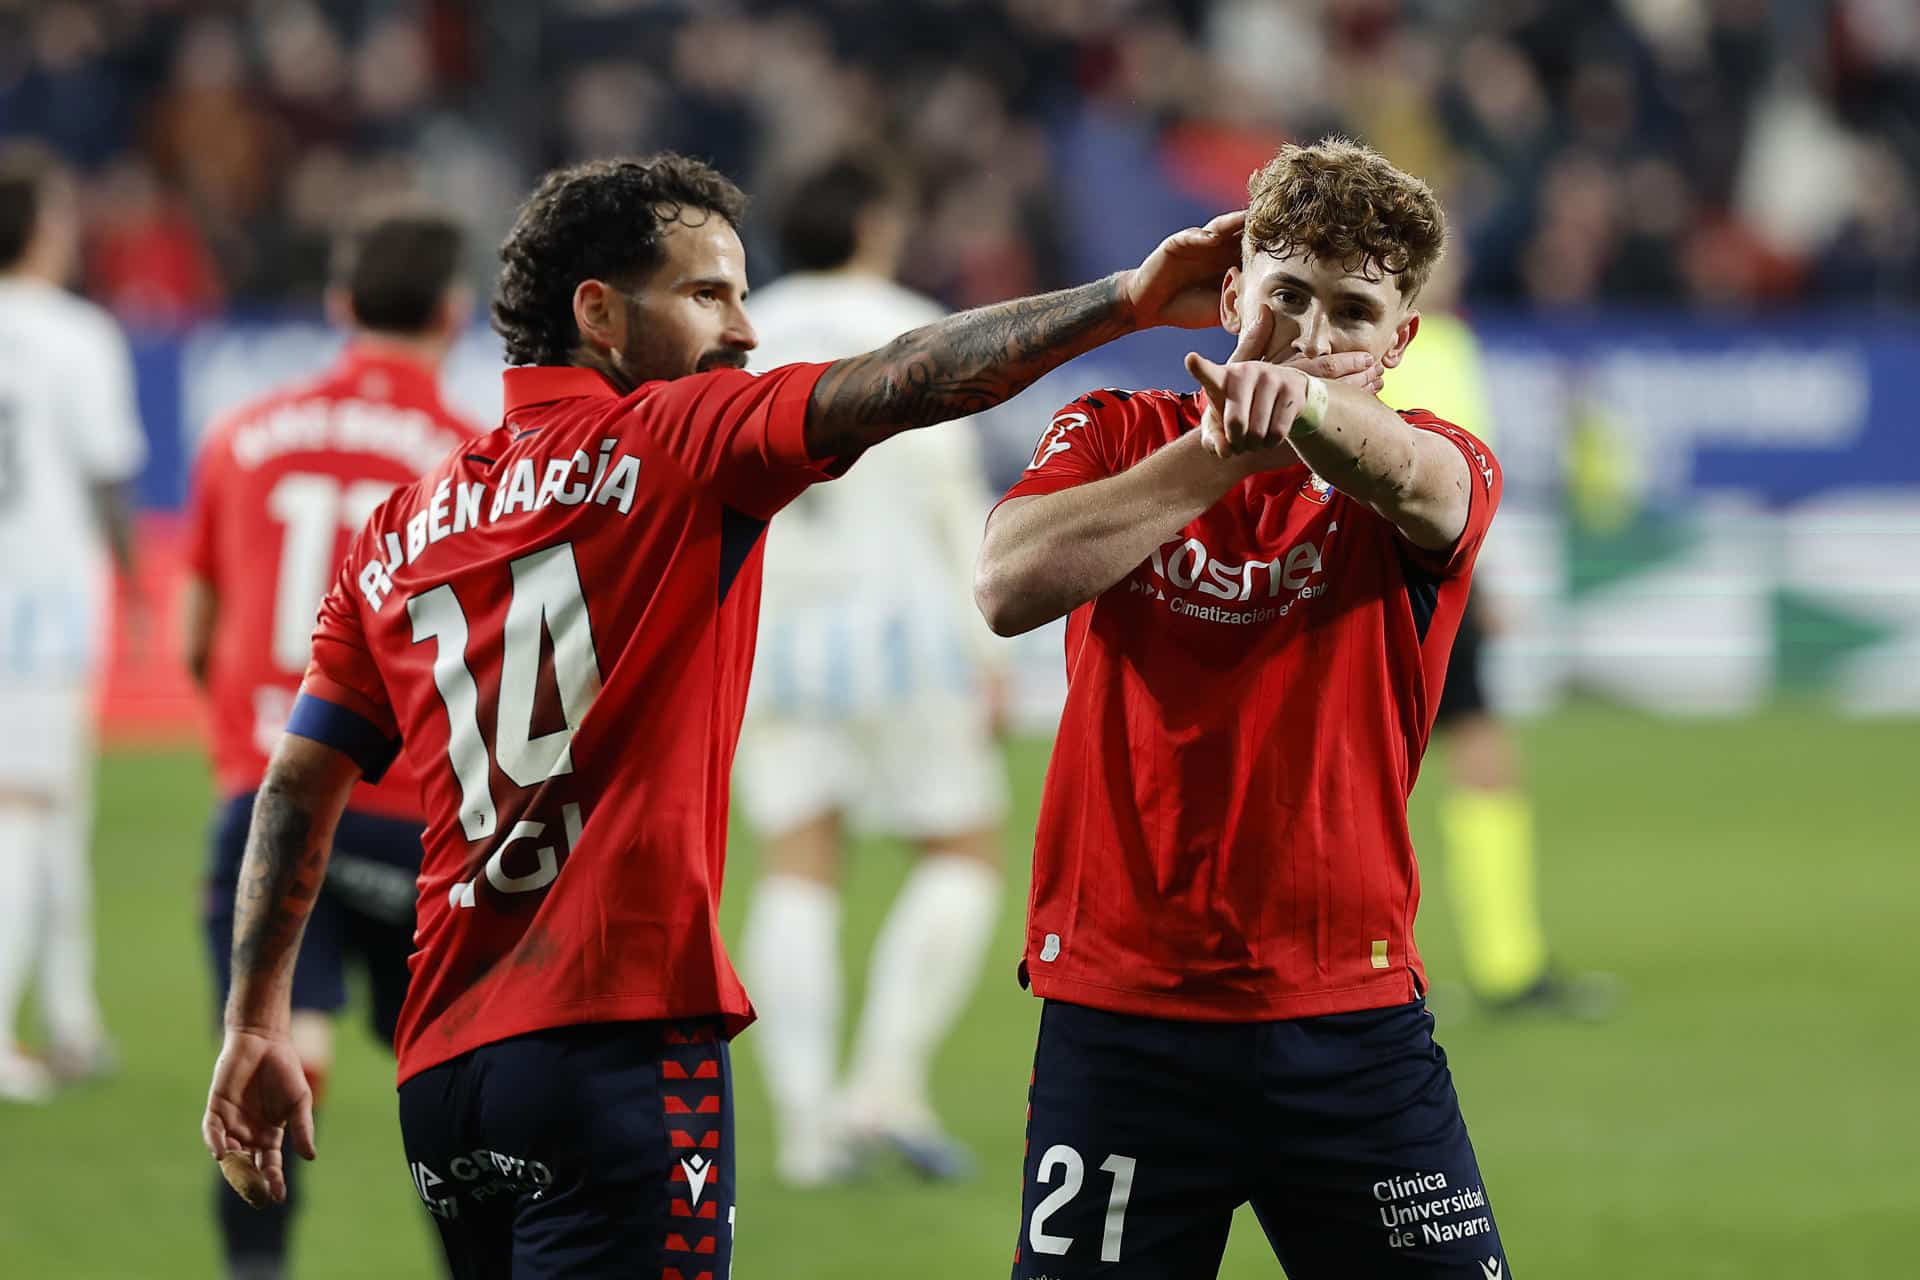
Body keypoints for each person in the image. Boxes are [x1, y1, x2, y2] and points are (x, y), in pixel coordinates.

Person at [198, 152, 1243, 1279]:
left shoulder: (405, 524)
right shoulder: (678, 440)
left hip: (449, 1074)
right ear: (598, 312)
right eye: (709, 296)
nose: (744, 331)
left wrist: (255, 1018)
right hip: (618, 1045)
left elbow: (296, 779)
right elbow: (909, 376)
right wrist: (1126, 298)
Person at [975, 137, 1514, 1277]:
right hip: (1121, 1018)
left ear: (1400, 340)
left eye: (1353, 312)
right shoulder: (1116, 431)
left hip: (1348, 1018)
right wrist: (1221, 456)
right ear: (1230, 295)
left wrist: (1302, 416)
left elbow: (1426, 484)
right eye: (1287, 296)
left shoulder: (1433, 463)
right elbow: (1007, 584)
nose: (1315, 333)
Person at [182, 205, 478, 1280]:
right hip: (417, 820)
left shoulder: (238, 434)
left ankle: (256, 1268)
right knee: (452, 1080)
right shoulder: (473, 460)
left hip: (272, 798)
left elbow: (198, 635)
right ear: (453, 314)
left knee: (269, 1054)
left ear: (339, 304)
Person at [734, 156, 1008, 1186]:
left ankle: (807, 1126)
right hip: (907, 633)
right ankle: (885, 1080)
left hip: (772, 638)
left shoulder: (743, 336)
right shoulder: (918, 325)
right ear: (875, 225)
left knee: (798, 861)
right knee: (960, 853)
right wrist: (990, 653)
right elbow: (954, 505)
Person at [1380, 254, 1618, 1020]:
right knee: (1474, 755)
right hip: (1421, 574)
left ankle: (1337, 965)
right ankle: (1504, 965)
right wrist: (1474, 579)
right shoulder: (1433, 344)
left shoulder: (1375, 338)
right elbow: (1447, 470)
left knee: (1372, 765)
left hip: (1374, 573)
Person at [0, 142, 144, 1103]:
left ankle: (73, 1016)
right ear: (42, 228)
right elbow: (105, 479)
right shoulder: (78, 334)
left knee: (57, 808)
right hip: (40, 598)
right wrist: (135, 584)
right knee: (28, 809)